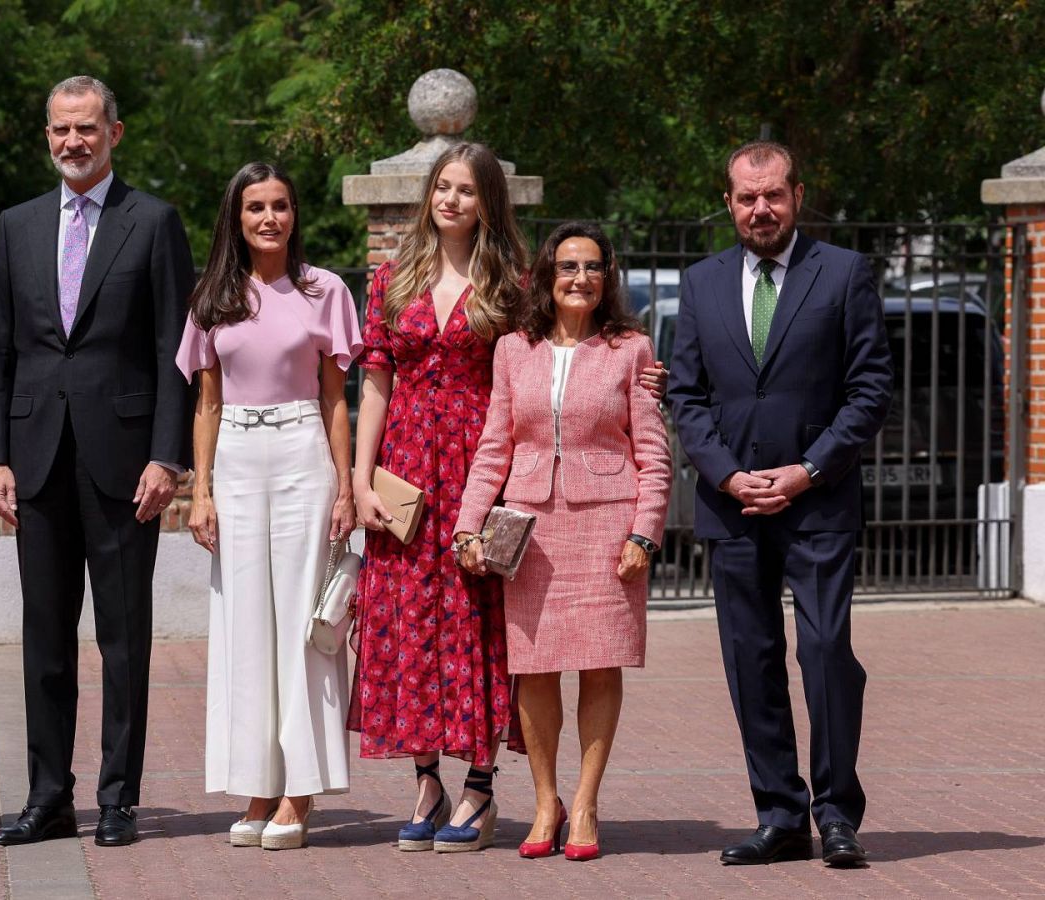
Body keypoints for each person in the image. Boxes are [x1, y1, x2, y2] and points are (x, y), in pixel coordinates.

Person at [0, 76, 194, 848]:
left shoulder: (155, 222)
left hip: (125, 462)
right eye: (61, 129)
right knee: (44, 639)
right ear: (47, 135)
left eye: (87, 129)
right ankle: (48, 796)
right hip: (36, 461)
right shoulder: (16, 226)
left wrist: (168, 457)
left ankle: (118, 797)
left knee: (124, 638)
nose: (74, 141)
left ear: (116, 132)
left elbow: (179, 352)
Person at [666, 141, 891, 868]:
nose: (760, 209)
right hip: (733, 508)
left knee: (825, 654)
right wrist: (729, 476)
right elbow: (687, 396)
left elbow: (870, 389)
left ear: (797, 193)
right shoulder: (699, 284)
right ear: (728, 202)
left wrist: (808, 469)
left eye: (773, 195)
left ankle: (836, 813)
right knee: (751, 661)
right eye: (745, 197)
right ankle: (780, 816)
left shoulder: (846, 274)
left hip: (818, 502)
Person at [454, 222, 672, 862]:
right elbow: (495, 446)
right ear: (546, 275)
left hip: (608, 527)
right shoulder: (513, 351)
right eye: (568, 266)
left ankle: (585, 801)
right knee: (534, 669)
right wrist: (469, 524)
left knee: (600, 664)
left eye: (593, 267)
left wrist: (644, 533)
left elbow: (654, 456)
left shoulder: (630, 349)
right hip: (530, 531)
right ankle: (545, 800)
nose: (581, 278)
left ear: (608, 278)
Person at [347, 142, 528, 854]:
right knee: (409, 620)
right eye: (442, 187)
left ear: (488, 202)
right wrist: (360, 482)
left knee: (478, 622)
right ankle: (427, 779)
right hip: (405, 473)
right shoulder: (392, 279)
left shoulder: (511, 285)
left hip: (479, 466)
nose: (450, 200)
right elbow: (375, 383)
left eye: (466, 191)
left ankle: (480, 786)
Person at [178, 162, 361, 850]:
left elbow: (335, 399)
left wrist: (345, 487)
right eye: (255, 207)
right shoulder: (212, 298)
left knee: (302, 621)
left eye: (280, 205)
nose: (269, 218)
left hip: (302, 456)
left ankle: (300, 790)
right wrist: (201, 490)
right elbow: (207, 403)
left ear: (294, 214)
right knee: (244, 622)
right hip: (234, 460)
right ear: (236, 216)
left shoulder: (325, 290)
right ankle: (257, 781)